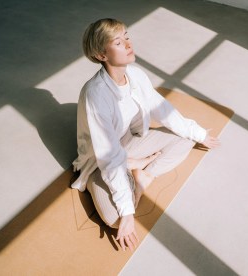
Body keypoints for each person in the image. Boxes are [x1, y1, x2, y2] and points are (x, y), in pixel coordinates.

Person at [71, 18, 220, 251]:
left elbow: (162, 109)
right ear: (101, 55)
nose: (128, 44)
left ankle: (142, 177)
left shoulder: (136, 75)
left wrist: (198, 133)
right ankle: (132, 165)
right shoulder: (96, 95)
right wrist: (128, 213)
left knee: (185, 140)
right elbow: (109, 158)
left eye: (127, 37)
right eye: (118, 42)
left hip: (129, 141)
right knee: (117, 219)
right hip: (99, 163)